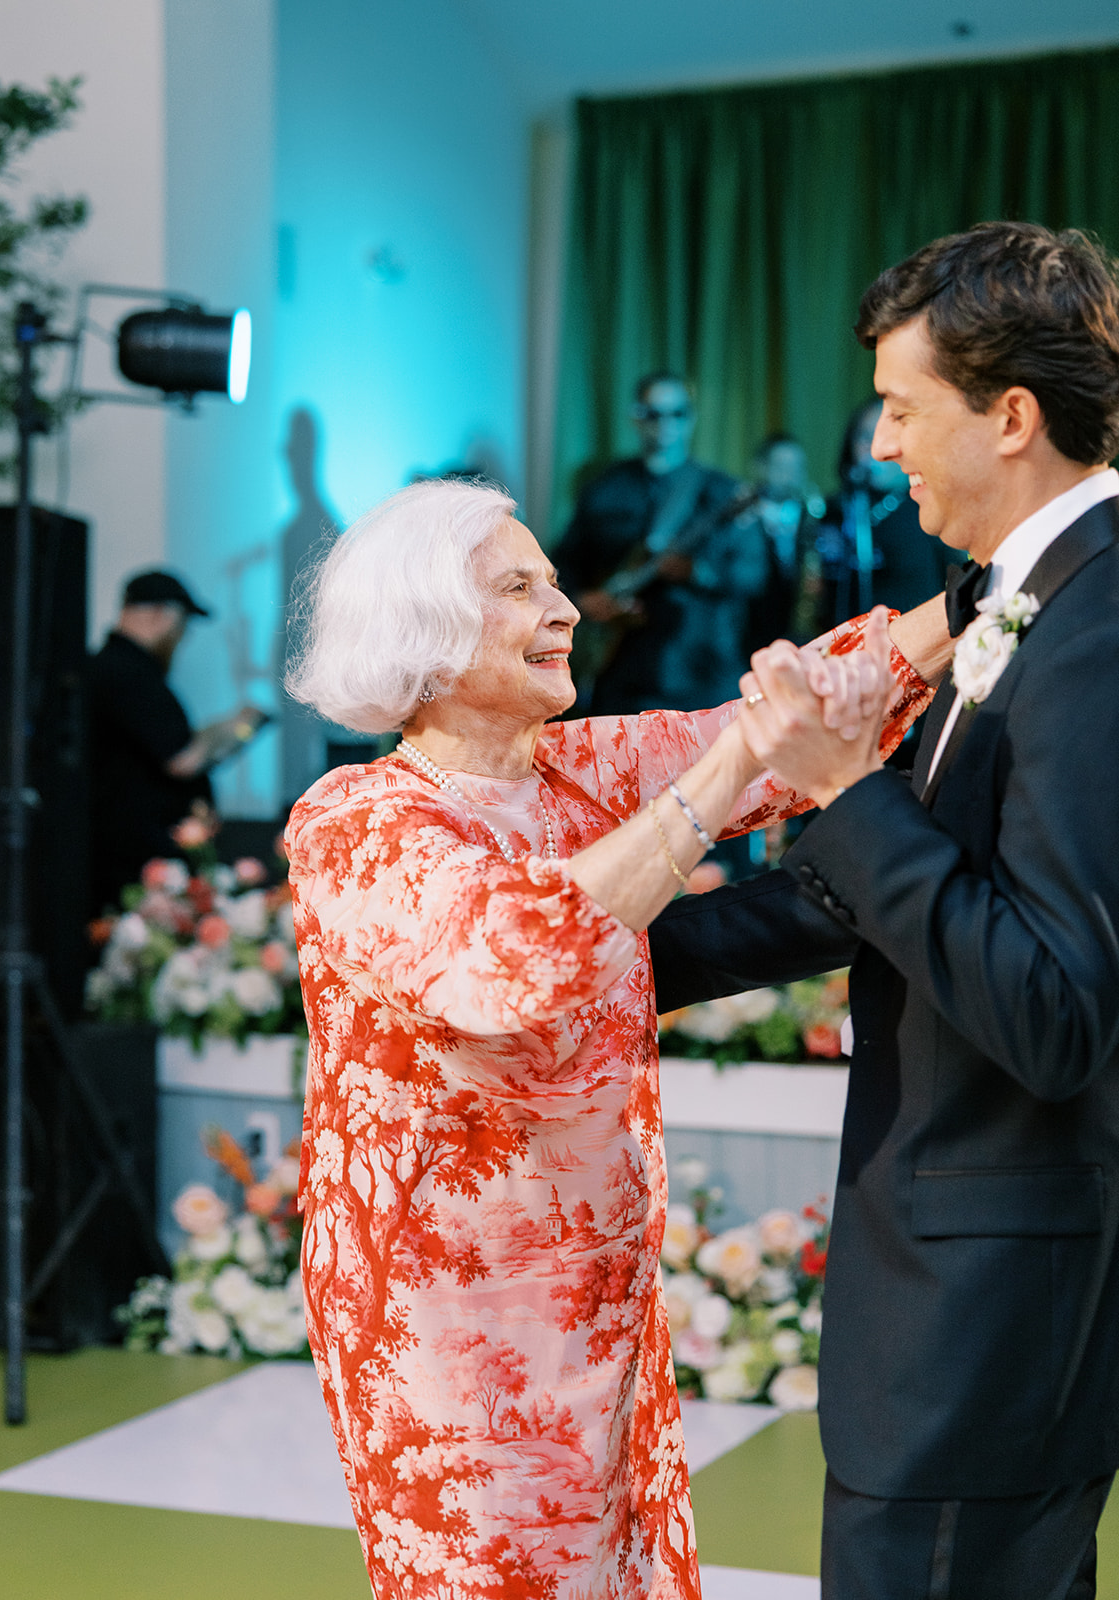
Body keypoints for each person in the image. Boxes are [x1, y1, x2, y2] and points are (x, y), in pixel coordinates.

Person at [282, 477, 947, 1600]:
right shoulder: (355, 821)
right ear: (424, 630)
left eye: (553, 582)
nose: (564, 609)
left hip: (602, 1301)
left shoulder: (577, 772)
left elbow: (789, 715)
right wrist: (719, 775)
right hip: (447, 1329)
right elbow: (520, 962)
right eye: (517, 588)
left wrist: (982, 598)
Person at [649, 221, 1119, 1599]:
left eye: (902, 409)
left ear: (1011, 418)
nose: (879, 445)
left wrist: (846, 786)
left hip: (987, 1317)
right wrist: (604, 956)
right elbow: (878, 884)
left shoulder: (1096, 630)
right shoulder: (1026, 598)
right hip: (965, 1307)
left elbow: (1055, 1010)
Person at [556, 372, 765, 713]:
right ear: (636, 417)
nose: (666, 424)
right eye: (654, 414)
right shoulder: (604, 488)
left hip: (701, 673)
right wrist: (582, 601)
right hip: (621, 669)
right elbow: (565, 559)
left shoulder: (723, 493)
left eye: (677, 413)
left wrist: (696, 571)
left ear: (691, 418)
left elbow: (753, 574)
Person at [87, 569, 269, 912]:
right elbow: (183, 759)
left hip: (139, 860)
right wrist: (240, 727)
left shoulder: (124, 671)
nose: (182, 637)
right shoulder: (126, 674)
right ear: (163, 614)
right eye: (182, 624)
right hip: (138, 867)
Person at [820, 395, 949, 624]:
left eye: (889, 436)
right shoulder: (836, 508)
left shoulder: (929, 504)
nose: (875, 449)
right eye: (865, 437)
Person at [738, 431, 828, 649]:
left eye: (797, 467)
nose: (790, 475)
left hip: (796, 630)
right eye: (781, 466)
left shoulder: (813, 515)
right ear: (761, 467)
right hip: (747, 630)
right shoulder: (741, 516)